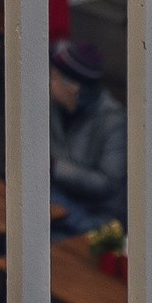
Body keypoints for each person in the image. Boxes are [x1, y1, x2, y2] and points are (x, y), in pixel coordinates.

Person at [49, 41, 128, 236]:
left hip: (96, 217)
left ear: (73, 87)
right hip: (58, 201)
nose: (49, 82)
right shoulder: (53, 108)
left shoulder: (113, 121)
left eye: (54, 77)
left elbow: (108, 184)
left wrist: (53, 167)